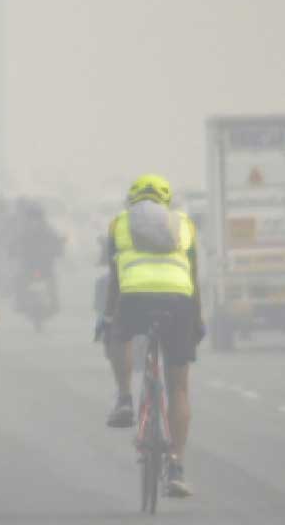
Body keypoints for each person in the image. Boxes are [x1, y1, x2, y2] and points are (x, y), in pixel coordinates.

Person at [99, 174, 204, 497]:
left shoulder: (119, 223)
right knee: (178, 387)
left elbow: (114, 278)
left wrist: (108, 317)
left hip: (135, 297)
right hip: (179, 301)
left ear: (132, 199)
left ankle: (124, 399)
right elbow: (193, 278)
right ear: (166, 200)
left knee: (117, 335)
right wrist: (197, 319)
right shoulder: (185, 224)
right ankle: (176, 466)